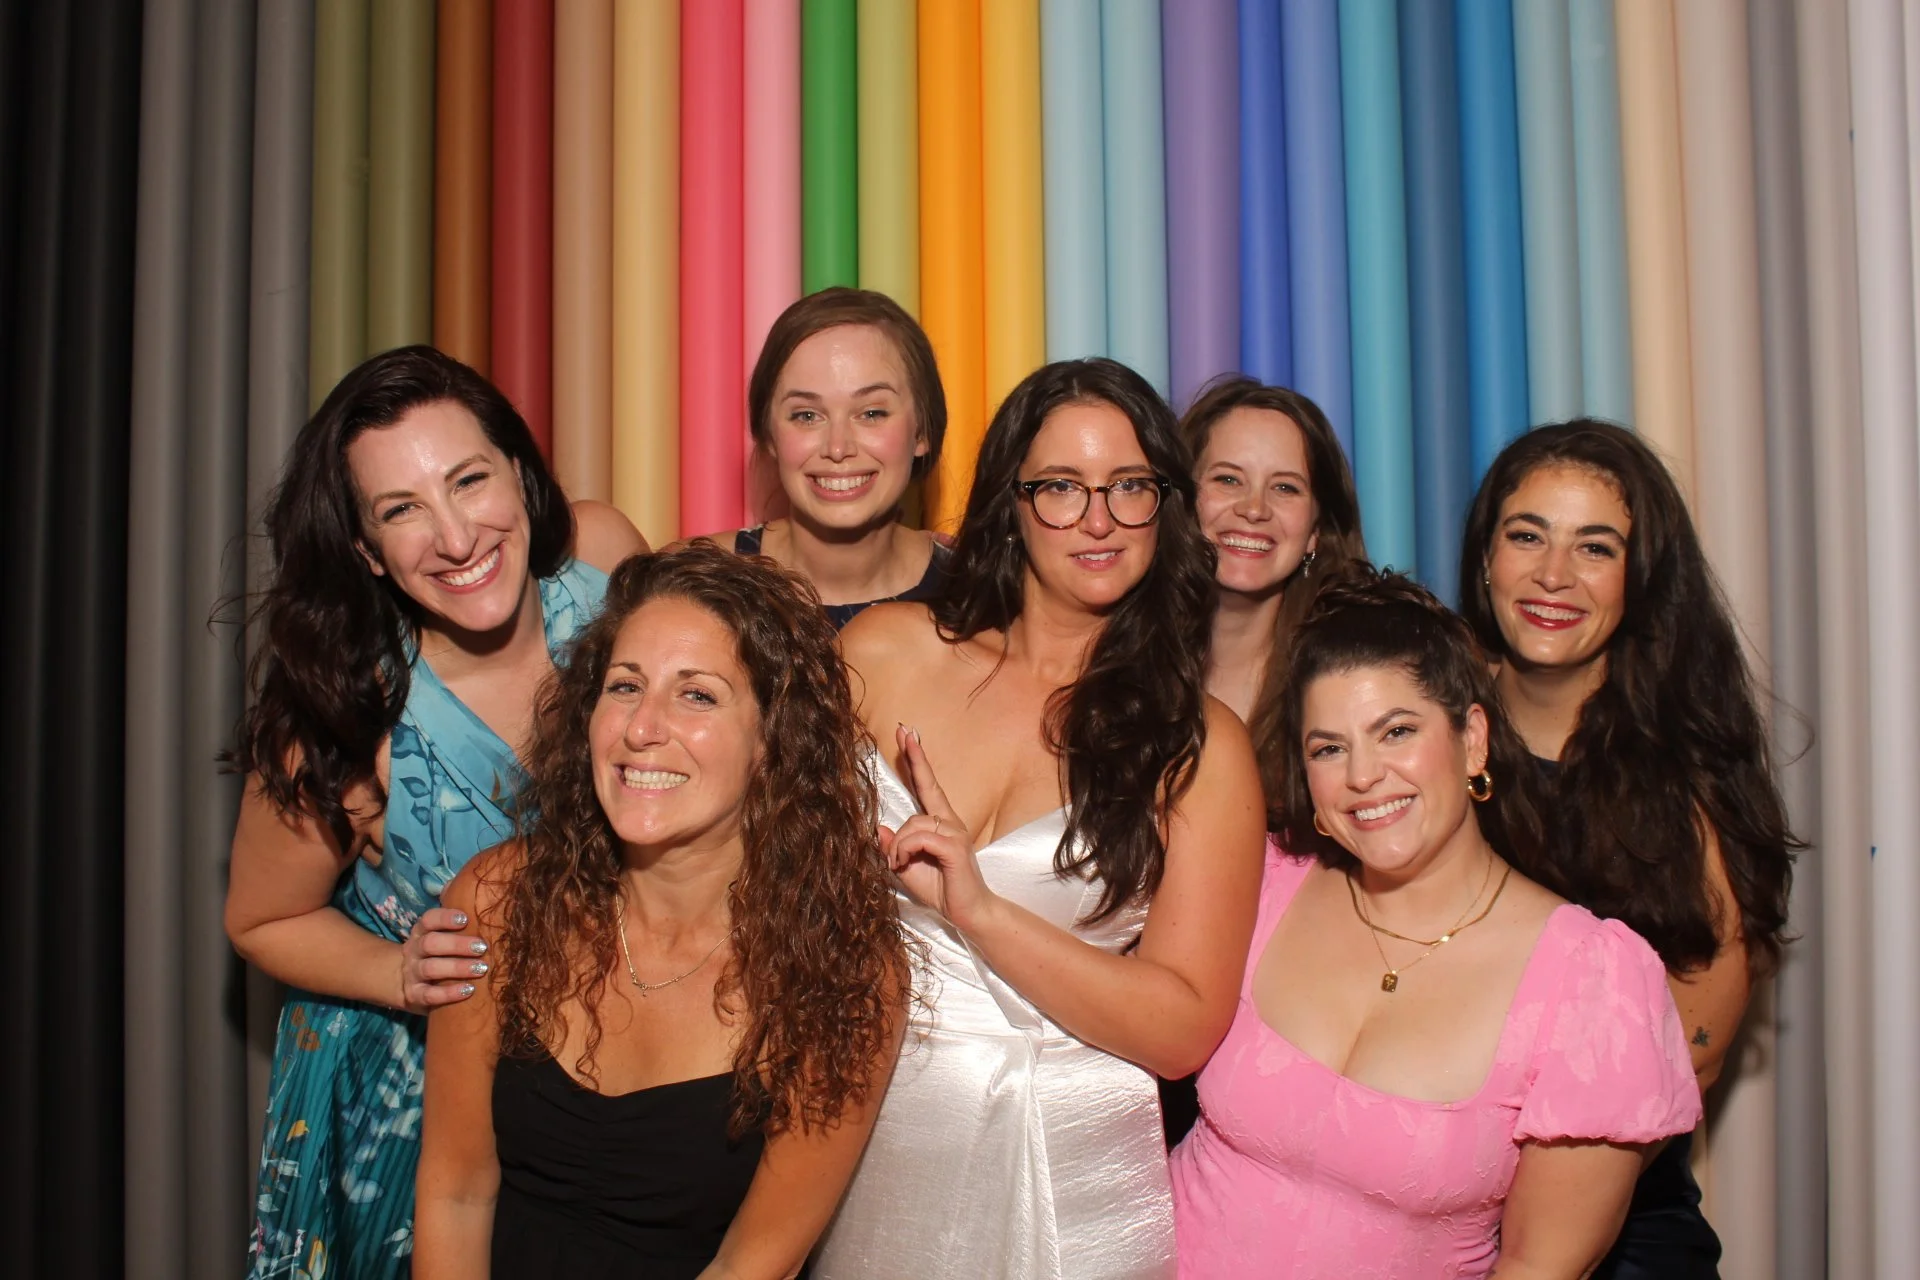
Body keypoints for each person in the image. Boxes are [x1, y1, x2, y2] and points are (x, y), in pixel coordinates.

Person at [815, 358, 1268, 1279]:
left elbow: (1183, 1031)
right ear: (1010, 505)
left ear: (1165, 508)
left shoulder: (1199, 746)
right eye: (1061, 487)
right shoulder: (882, 651)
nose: (1098, 520)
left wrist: (981, 913)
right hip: (851, 1130)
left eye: (1128, 486)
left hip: (1063, 1169)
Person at [224, 346, 645, 1278]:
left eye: (468, 480)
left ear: (521, 473)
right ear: (366, 550)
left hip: (614, 1058)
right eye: (402, 510)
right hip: (421, 1107)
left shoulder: (607, 561)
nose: (455, 538)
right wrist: (397, 973)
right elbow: (259, 918)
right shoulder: (345, 717)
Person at [1170, 572, 1702, 1278]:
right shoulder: (1260, 881)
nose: (1363, 775)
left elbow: (1539, 1266)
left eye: (1396, 732)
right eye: (1328, 748)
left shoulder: (1591, 984)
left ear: (1472, 739)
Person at [414, 544, 908, 1278]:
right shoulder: (499, 900)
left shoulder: (842, 971)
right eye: (624, 686)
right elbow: (456, 1193)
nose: (641, 728)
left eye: (697, 695)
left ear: (774, 740)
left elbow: (753, 1262)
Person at [1458, 420, 1796, 1279]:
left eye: (1595, 548)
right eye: (1526, 536)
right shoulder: (1421, 728)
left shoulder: (1693, 779)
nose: (1554, 574)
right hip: (1414, 1205)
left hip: (1619, 1233)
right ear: (1485, 558)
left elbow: (1695, 1049)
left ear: (1640, 579)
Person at [1161, 377, 1368, 1143]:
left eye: (1285, 488)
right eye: (1226, 479)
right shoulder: (1108, 666)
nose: (1253, 509)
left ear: (1316, 530)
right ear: (1180, 502)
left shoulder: (1355, 690)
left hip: (1293, 1066)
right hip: (1123, 1055)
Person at [692, 286, 951, 628]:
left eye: (871, 413)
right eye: (807, 416)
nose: (838, 448)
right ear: (769, 436)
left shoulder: (983, 594)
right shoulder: (694, 586)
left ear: (922, 432)